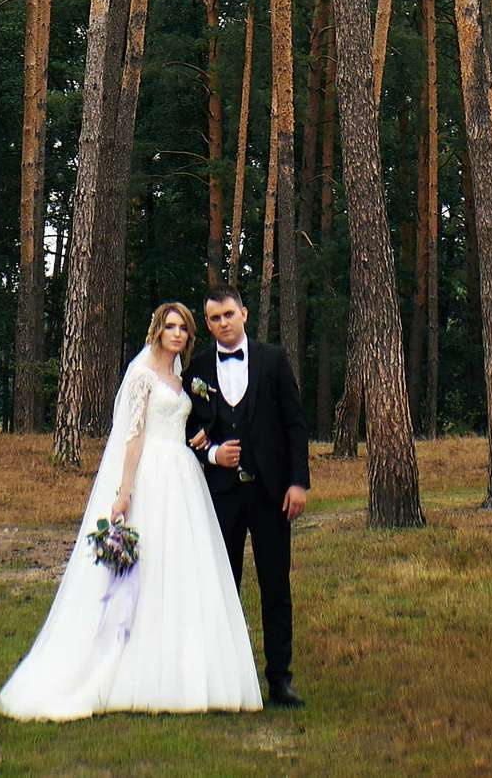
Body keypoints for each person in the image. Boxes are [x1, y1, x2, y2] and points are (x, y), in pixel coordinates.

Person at [0, 301, 262, 721]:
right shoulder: (141, 377)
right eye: (170, 327)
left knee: (181, 570)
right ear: (157, 331)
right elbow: (132, 438)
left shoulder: (180, 379)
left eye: (184, 329)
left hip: (184, 477)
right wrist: (124, 492)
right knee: (144, 570)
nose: (177, 334)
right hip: (152, 474)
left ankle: (184, 671)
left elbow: (193, 423)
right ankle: (124, 668)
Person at [188, 286, 309, 708]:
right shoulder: (198, 367)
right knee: (224, 586)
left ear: (244, 313)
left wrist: (299, 482)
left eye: (228, 315)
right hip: (221, 496)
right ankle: (224, 679)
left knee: (276, 585)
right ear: (207, 323)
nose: (222, 323)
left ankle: (280, 679)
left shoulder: (273, 360)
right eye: (214, 318)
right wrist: (212, 453)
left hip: (272, 493)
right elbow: (187, 428)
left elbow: (295, 423)